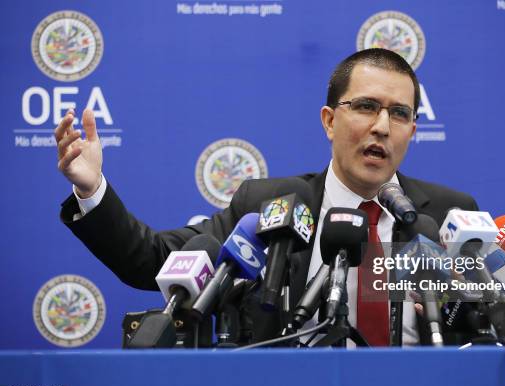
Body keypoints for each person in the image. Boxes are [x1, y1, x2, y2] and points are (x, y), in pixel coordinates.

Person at [56, 48, 478, 346]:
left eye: (399, 113)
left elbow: (495, 329)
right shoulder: (270, 204)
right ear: (330, 121)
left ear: (412, 131)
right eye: (367, 106)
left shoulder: (447, 216)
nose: (383, 126)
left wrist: (471, 305)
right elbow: (151, 261)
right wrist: (92, 190)